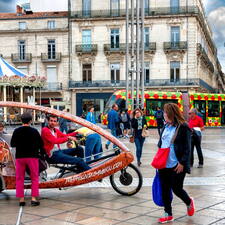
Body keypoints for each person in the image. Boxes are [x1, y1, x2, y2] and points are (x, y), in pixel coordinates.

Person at [157, 103, 194, 223]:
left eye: (165, 112)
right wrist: (158, 160)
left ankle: (189, 201)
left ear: (171, 114)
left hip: (177, 164)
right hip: (163, 164)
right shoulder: (165, 126)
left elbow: (188, 148)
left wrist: (182, 163)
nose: (163, 114)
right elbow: (161, 144)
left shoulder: (184, 127)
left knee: (177, 189)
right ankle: (168, 213)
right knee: (165, 189)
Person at [11, 112, 43, 206]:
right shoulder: (34, 131)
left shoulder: (17, 131)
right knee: (34, 178)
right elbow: (40, 144)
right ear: (30, 121)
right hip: (32, 157)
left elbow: (13, 144)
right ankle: (33, 199)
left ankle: (21, 200)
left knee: (19, 178)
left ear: (21, 120)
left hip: (20, 157)